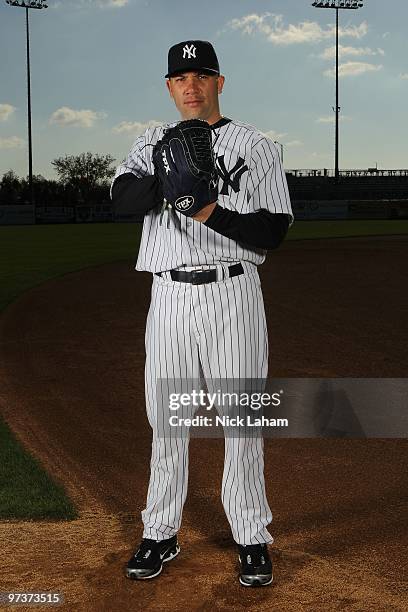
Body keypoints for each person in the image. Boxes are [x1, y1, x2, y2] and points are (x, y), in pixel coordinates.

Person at [110, 39, 294, 587]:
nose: (191, 85)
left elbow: (273, 230)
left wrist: (207, 209)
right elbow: (121, 201)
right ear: (169, 88)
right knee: (167, 420)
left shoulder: (255, 146)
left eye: (202, 75)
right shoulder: (150, 142)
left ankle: (252, 535)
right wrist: (170, 181)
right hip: (168, 296)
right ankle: (160, 531)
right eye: (180, 78)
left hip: (232, 293)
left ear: (219, 82)